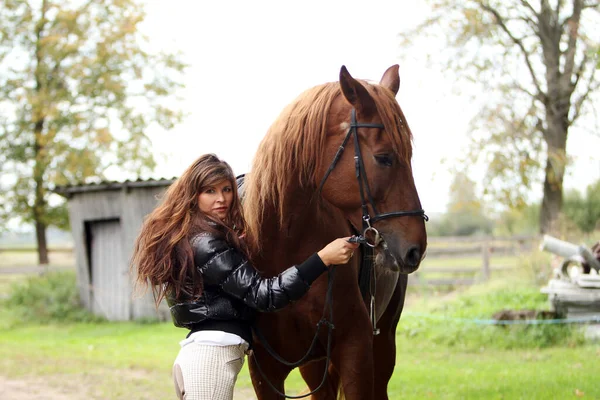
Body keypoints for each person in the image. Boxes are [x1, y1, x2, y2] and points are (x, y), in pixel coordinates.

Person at [131, 153, 358, 400]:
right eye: (209, 191)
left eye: (227, 189)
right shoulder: (207, 244)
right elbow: (265, 295)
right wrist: (322, 258)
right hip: (210, 359)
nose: (221, 199)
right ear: (193, 196)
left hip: (205, 355)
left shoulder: (200, 237)